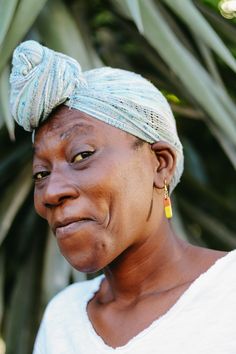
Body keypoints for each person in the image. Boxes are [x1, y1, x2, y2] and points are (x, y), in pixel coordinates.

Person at [9, 40, 236, 354]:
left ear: (161, 163)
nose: (50, 191)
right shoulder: (63, 320)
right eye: (41, 173)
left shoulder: (228, 294)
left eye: (81, 156)